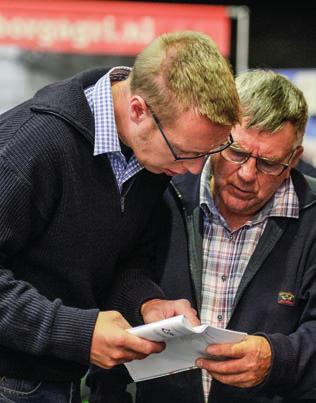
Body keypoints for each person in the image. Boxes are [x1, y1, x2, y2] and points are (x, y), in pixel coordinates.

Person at [0, 31, 240, 402]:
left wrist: (145, 302)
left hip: (62, 377)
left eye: (208, 153)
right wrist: (78, 332)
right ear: (138, 110)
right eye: (185, 152)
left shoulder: (147, 156)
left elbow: (123, 257)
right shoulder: (30, 147)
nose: (194, 170)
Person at [88, 69, 316, 403]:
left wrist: (277, 358)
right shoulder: (157, 192)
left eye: (268, 164)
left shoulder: (311, 219)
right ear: (216, 135)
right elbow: (111, 287)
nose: (247, 175)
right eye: (236, 153)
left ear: (294, 158)